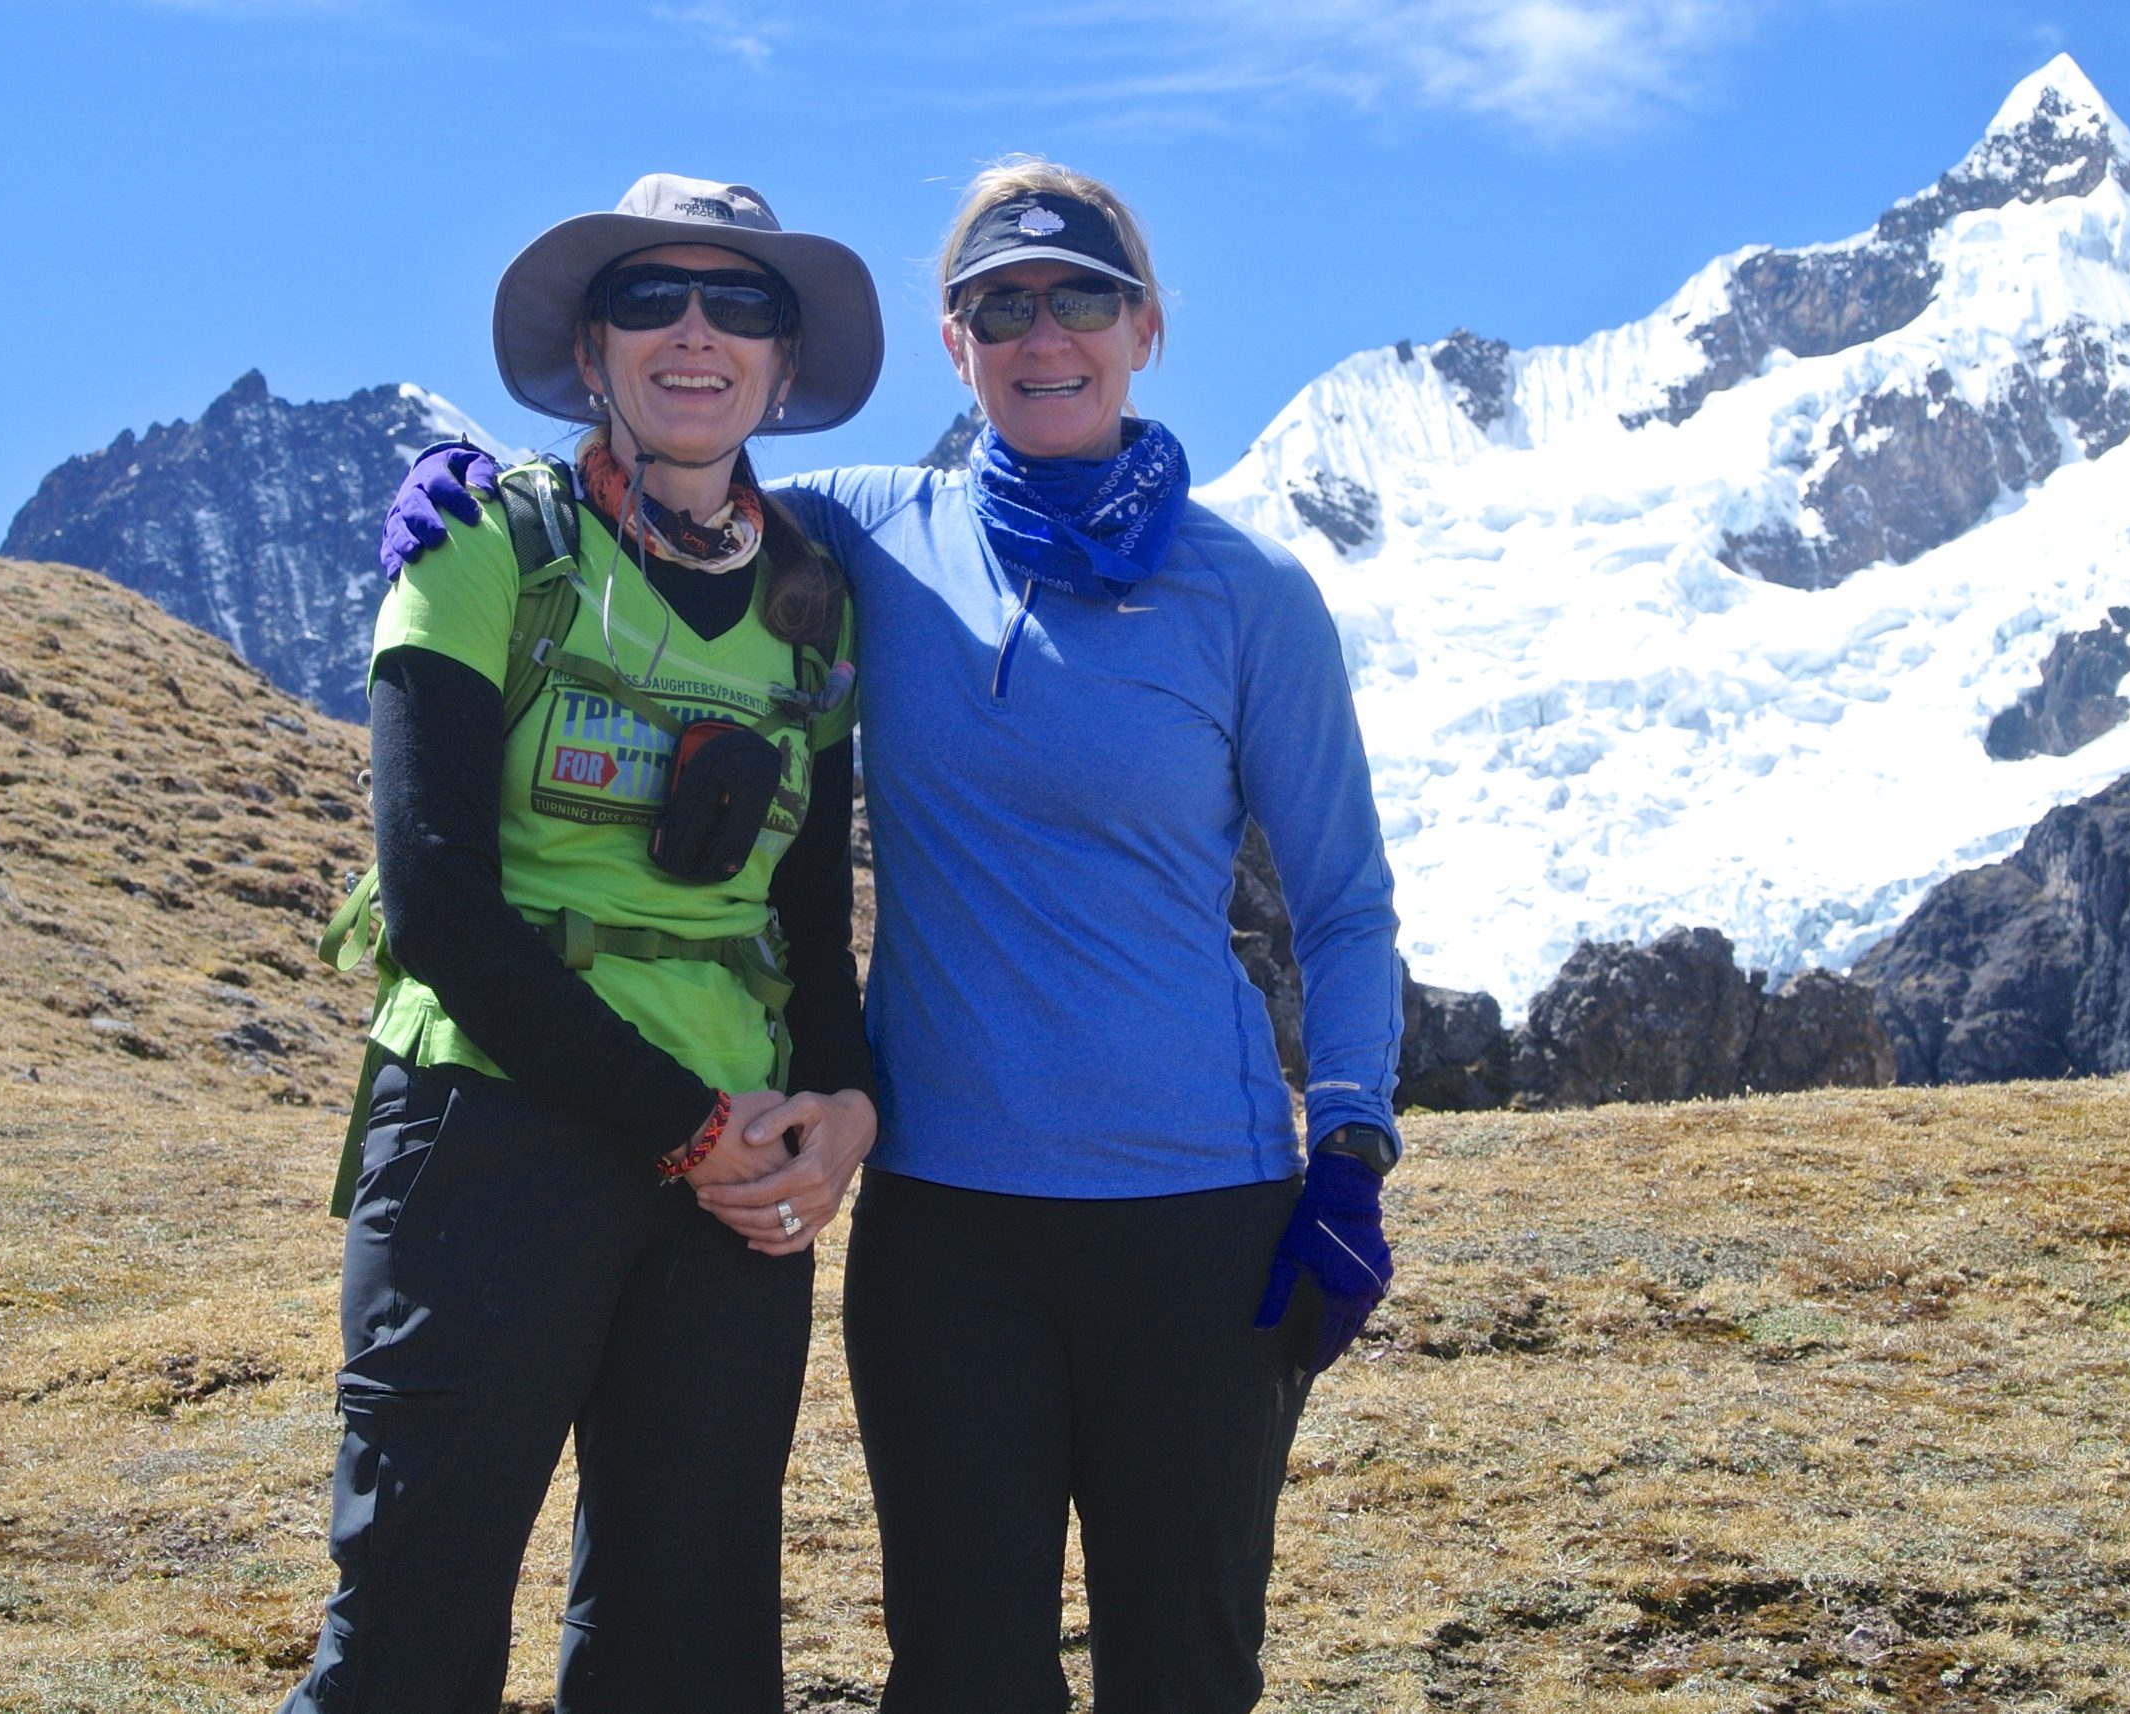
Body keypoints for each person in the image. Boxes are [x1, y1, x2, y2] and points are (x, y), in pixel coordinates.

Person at [385, 158, 1401, 1714]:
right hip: (948, 1231)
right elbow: (677, 471)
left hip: (1200, 1222)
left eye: (1083, 298)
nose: (1043, 335)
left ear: (1148, 328)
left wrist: (1349, 1151)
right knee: (963, 1674)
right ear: (953, 340)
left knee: (1186, 1667)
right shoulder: (865, 540)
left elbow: (1341, 903)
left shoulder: (1251, 595)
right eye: (1003, 304)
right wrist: (478, 485)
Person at [280, 174, 882, 1714]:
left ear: (785, 366)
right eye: (652, 300)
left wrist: (840, 1111)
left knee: (690, 1639)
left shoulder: (816, 604)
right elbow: (435, 906)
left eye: (740, 304)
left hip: (736, 1174)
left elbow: (808, 917)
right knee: (413, 1628)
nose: (697, 333)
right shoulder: (482, 544)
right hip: (494, 1133)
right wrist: (686, 1126)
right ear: (590, 352)